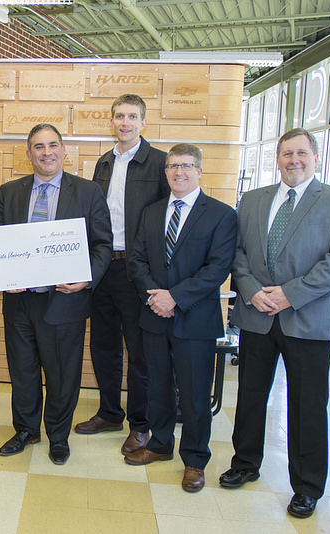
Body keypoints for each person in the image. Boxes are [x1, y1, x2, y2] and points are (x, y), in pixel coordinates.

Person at [220, 128, 330, 518]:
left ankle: (307, 486)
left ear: (315, 157)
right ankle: (245, 463)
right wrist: (251, 290)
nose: (293, 160)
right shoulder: (252, 200)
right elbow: (238, 253)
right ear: (277, 158)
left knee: (307, 405)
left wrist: (289, 294)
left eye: (301, 153)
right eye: (286, 154)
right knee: (249, 396)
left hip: (309, 319)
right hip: (256, 316)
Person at [0, 124, 112, 465]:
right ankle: (26, 430)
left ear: (64, 150)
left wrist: (85, 279)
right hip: (19, 301)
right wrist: (4, 275)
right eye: (39, 147)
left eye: (53, 145)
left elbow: (102, 244)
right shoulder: (10, 191)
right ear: (28, 153)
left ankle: (58, 436)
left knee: (62, 374)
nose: (47, 152)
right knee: (23, 371)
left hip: (64, 299)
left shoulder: (88, 192)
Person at [127, 143, 237, 492]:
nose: (179, 172)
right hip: (155, 316)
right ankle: (159, 444)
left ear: (199, 171)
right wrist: (156, 297)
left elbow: (217, 268)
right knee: (157, 386)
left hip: (196, 320)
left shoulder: (221, 214)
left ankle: (194, 459)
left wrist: (175, 297)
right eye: (173, 166)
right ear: (166, 171)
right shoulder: (152, 212)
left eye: (187, 166)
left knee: (194, 394)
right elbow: (137, 260)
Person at [75, 94, 169, 457]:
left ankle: (140, 425)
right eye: (119, 116)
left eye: (132, 116)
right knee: (103, 346)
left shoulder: (160, 163)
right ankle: (110, 413)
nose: (125, 122)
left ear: (143, 122)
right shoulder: (103, 162)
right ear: (111, 122)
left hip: (137, 271)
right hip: (102, 267)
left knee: (139, 352)